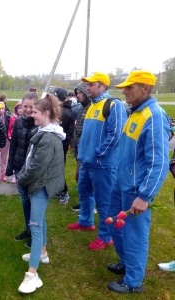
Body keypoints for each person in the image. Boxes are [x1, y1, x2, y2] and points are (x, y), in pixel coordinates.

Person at [106, 70, 169, 294]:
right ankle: (126, 263)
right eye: (124, 87)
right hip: (120, 183)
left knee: (134, 234)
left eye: (130, 87)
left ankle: (134, 281)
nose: (124, 91)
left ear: (146, 89)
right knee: (114, 224)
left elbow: (159, 162)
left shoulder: (154, 115)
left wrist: (144, 196)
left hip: (136, 189)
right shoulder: (134, 113)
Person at [67, 72, 127, 251]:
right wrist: (82, 154)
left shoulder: (113, 105)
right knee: (84, 193)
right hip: (86, 161)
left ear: (103, 86)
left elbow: (115, 135)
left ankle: (106, 236)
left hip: (103, 165)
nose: (88, 87)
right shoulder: (91, 105)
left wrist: (99, 154)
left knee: (104, 202)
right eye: (87, 84)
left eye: (91, 84)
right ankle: (85, 221)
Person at [16, 94, 65, 294]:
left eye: (35, 112)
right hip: (39, 183)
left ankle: (32, 275)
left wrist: (21, 178)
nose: (31, 115)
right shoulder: (45, 132)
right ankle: (42, 253)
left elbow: (36, 167)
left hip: (41, 186)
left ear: (46, 113)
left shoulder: (49, 138)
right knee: (40, 221)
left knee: (35, 226)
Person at [6, 91, 38, 248]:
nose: (28, 110)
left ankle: (36, 234)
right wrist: (10, 167)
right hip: (19, 166)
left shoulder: (40, 123)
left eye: (31, 107)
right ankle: (28, 229)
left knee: (35, 202)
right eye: (25, 106)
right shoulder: (18, 122)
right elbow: (13, 146)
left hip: (33, 169)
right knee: (25, 200)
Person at [71, 82, 92, 212]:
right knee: (79, 177)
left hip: (86, 150)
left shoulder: (91, 107)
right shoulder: (82, 108)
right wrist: (74, 145)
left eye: (80, 93)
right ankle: (84, 203)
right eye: (76, 93)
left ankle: (88, 205)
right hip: (79, 148)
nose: (78, 96)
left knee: (83, 177)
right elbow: (77, 128)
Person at [54, 87, 74, 204]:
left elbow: (62, 130)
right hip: (60, 143)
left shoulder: (64, 112)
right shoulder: (62, 109)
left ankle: (64, 192)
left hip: (61, 144)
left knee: (59, 168)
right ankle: (58, 189)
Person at [7, 102, 24, 183]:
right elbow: (10, 129)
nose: (20, 110)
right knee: (14, 158)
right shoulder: (13, 118)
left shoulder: (27, 118)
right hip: (14, 140)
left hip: (22, 141)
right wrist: (9, 135)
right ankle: (15, 176)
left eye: (21, 108)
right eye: (19, 108)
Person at [0, 102, 11, 182]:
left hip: (6, 140)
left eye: (2, 108)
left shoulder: (7, 117)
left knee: (4, 158)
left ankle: (3, 174)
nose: (1, 110)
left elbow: (10, 128)